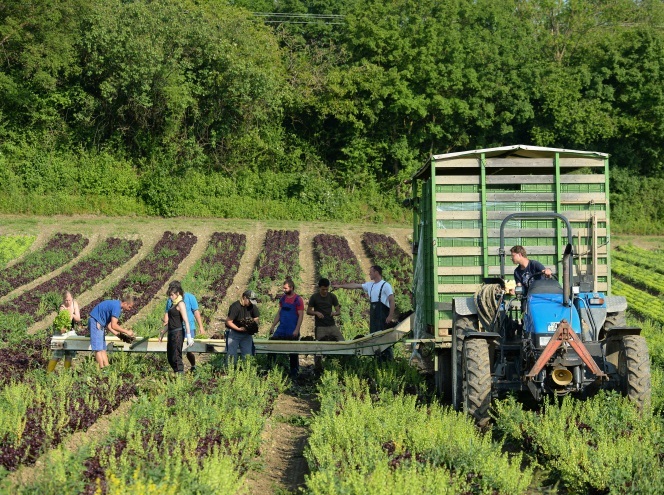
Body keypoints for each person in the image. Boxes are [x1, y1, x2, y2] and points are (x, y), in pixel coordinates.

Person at [334, 265, 395, 360]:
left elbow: (392, 300)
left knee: (384, 340)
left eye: (371, 272)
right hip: (374, 318)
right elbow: (355, 285)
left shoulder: (385, 285)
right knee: (374, 338)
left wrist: (390, 316)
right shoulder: (370, 285)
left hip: (383, 318)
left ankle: (389, 360)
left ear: (376, 272)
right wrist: (340, 286)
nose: (369, 274)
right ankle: (378, 360)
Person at [163, 280, 205, 372]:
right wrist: (165, 324)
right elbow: (167, 313)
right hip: (175, 329)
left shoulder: (190, 297)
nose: (171, 295)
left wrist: (201, 326)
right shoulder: (171, 300)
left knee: (189, 350)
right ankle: (179, 370)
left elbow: (196, 312)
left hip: (189, 327)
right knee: (176, 351)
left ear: (177, 291)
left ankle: (193, 366)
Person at [268, 279, 304, 380]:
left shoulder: (298, 299)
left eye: (285, 288)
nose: (284, 290)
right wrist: (273, 326)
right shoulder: (283, 299)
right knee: (272, 346)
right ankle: (270, 368)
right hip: (282, 327)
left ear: (291, 288)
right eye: (283, 288)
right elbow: (279, 313)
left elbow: (301, 316)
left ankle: (294, 373)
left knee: (293, 351)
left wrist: (297, 330)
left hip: (292, 328)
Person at [89, 294, 135, 369]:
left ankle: (107, 368)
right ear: (125, 303)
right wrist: (127, 332)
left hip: (100, 322)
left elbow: (110, 326)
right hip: (96, 321)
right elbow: (114, 325)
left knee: (103, 348)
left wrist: (121, 336)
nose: (129, 309)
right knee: (98, 349)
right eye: (129, 307)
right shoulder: (117, 307)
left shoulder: (116, 305)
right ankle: (102, 369)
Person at [307, 278, 343, 371]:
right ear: (319, 288)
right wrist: (316, 313)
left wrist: (334, 313)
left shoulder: (332, 297)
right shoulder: (314, 297)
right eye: (323, 289)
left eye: (327, 289)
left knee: (342, 343)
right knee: (318, 349)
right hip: (320, 327)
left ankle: (340, 365)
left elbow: (338, 311)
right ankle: (318, 369)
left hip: (332, 325)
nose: (325, 291)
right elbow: (308, 311)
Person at [159, 284, 193, 374]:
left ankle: (180, 376)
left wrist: (189, 335)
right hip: (171, 332)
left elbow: (186, 320)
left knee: (176, 356)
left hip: (177, 332)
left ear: (177, 293)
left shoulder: (180, 304)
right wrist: (162, 333)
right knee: (170, 357)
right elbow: (170, 321)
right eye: (170, 295)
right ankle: (176, 373)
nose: (171, 297)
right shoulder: (172, 305)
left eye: (172, 295)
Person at [47, 290, 81, 372]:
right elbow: (62, 327)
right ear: (63, 300)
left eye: (69, 300)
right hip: (60, 332)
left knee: (70, 353)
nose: (68, 302)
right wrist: (70, 316)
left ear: (72, 299)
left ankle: (66, 372)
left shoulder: (74, 304)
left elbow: (78, 319)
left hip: (70, 331)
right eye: (66, 300)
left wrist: (72, 314)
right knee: (57, 353)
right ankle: (49, 373)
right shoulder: (62, 308)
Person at [225, 290, 260, 363]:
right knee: (232, 355)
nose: (251, 303)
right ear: (244, 297)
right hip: (234, 333)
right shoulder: (236, 307)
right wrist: (238, 329)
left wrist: (253, 325)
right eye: (250, 300)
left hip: (247, 334)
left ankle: (246, 371)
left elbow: (256, 318)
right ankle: (230, 371)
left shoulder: (252, 306)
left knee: (247, 355)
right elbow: (228, 322)